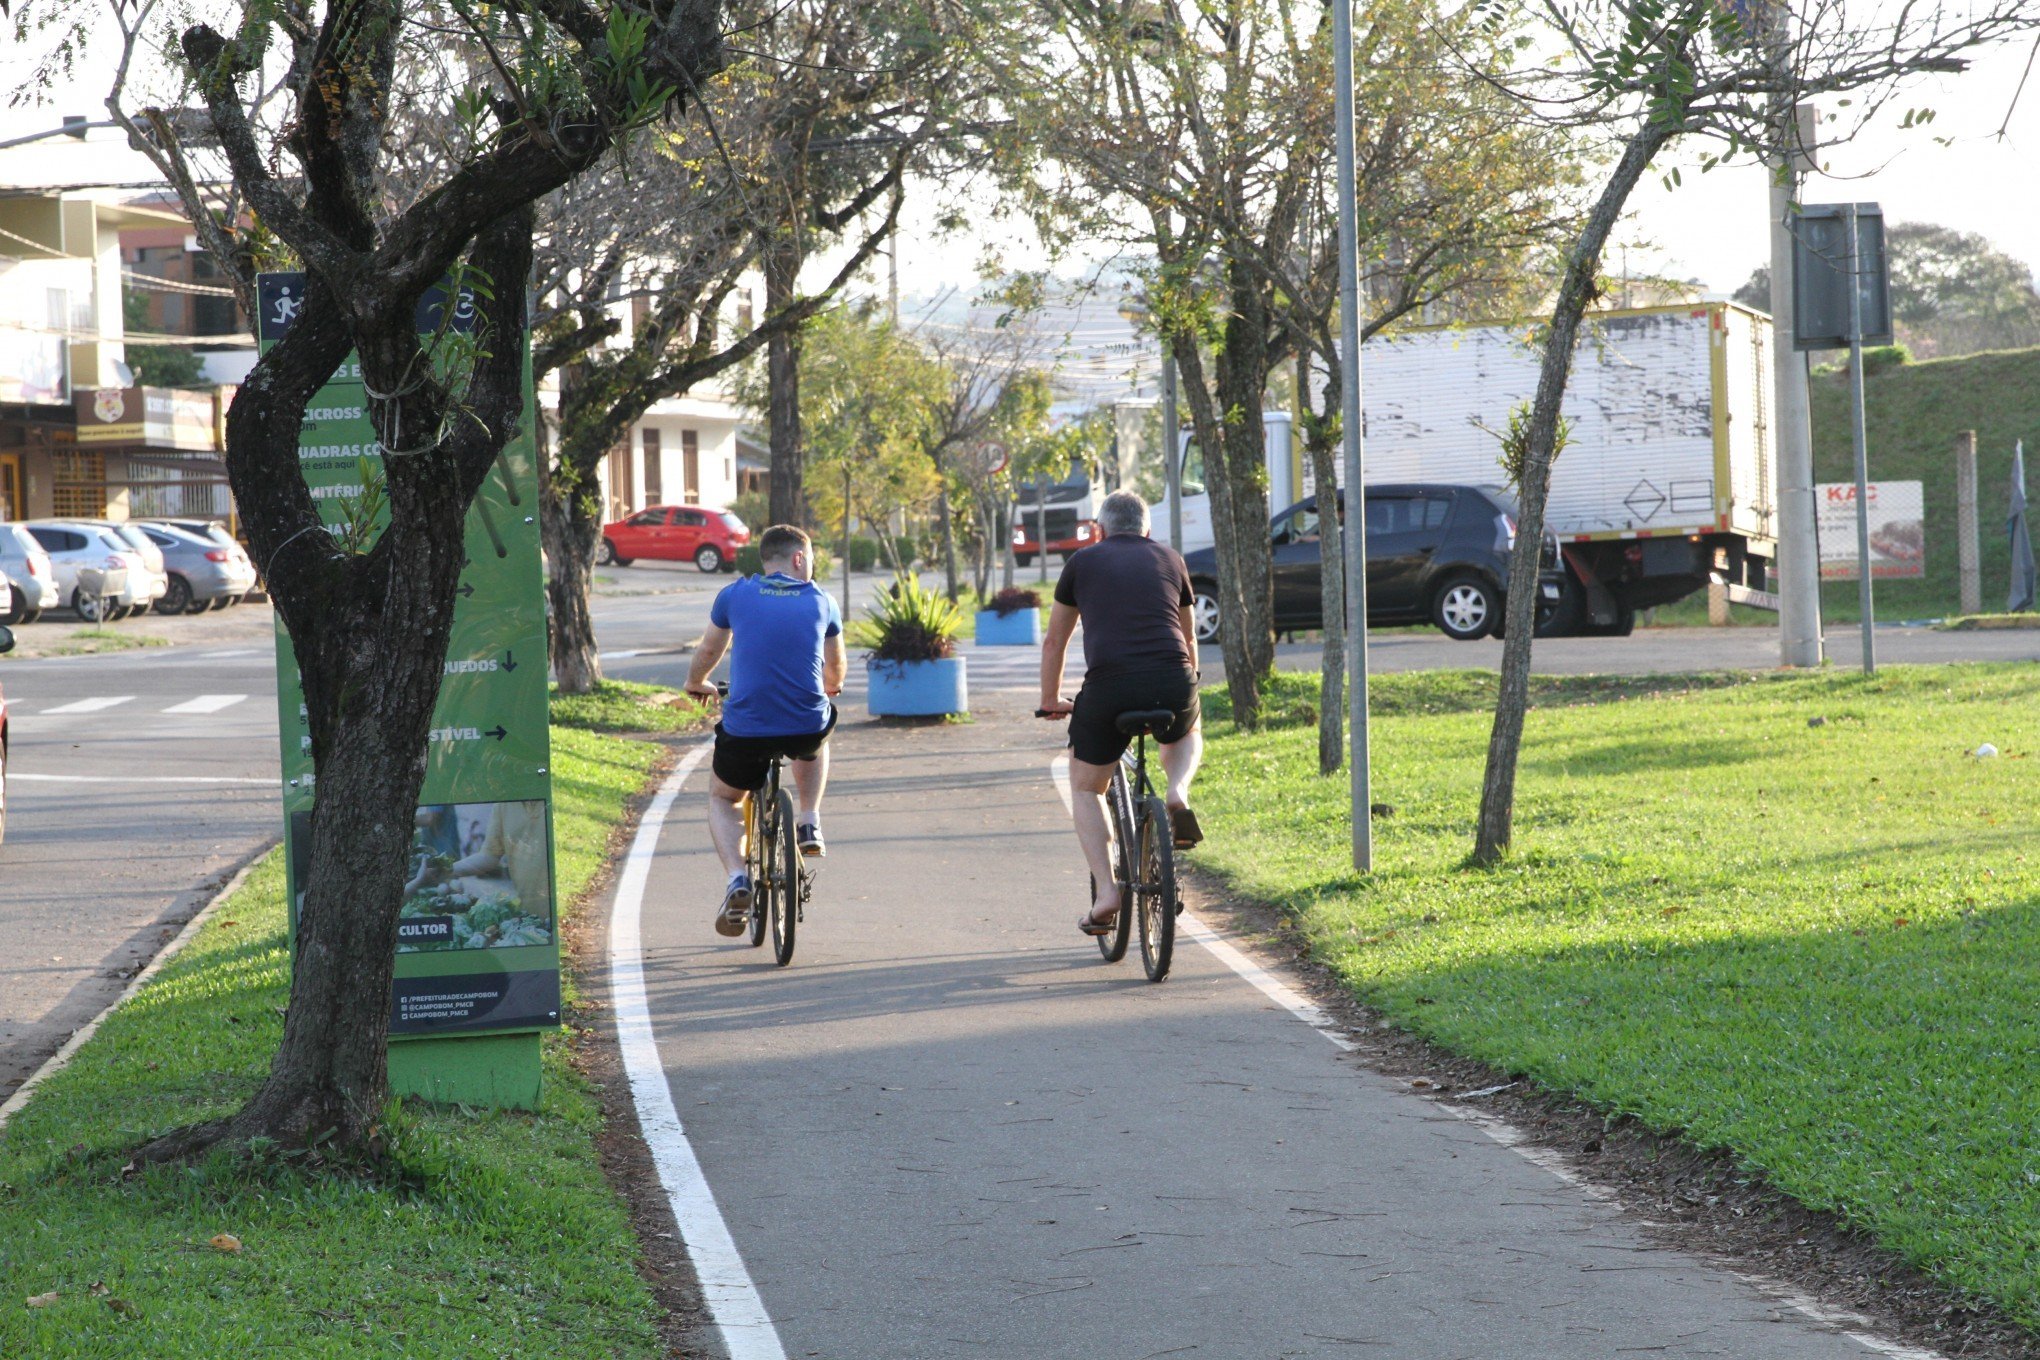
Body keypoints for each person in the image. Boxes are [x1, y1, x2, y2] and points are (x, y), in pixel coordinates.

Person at [1037, 489, 1204, 938]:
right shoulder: (1172, 560)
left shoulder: (1081, 563)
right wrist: (1188, 684)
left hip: (1109, 686)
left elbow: (1055, 641)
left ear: (1099, 530)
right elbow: (1189, 644)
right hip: (1172, 677)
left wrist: (1051, 700)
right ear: (1148, 529)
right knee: (1186, 727)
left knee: (1088, 787)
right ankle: (1177, 789)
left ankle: (1107, 894)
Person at [686, 524, 847, 937]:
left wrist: (696, 682)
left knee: (723, 797)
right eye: (810, 560)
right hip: (802, 725)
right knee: (819, 727)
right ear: (798, 559)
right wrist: (829, 687)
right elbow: (836, 666)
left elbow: (709, 650)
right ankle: (809, 820)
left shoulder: (734, 595)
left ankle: (737, 878)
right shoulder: (823, 600)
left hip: (746, 728)